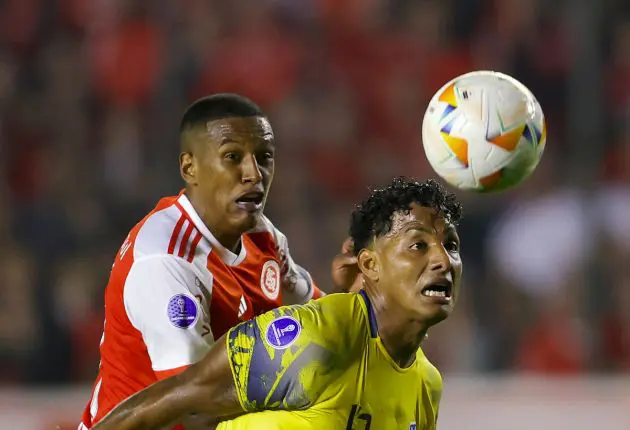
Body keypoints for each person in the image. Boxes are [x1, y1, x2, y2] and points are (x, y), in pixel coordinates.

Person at [93, 176, 464, 430]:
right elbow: (178, 398)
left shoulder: (426, 386)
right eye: (418, 245)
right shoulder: (318, 337)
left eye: (451, 246)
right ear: (369, 264)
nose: (442, 261)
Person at [79, 94, 358, 429]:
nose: (253, 174)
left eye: (264, 157)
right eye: (232, 157)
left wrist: (353, 300)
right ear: (189, 167)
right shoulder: (166, 260)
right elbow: (196, 407)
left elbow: (314, 318)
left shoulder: (263, 236)